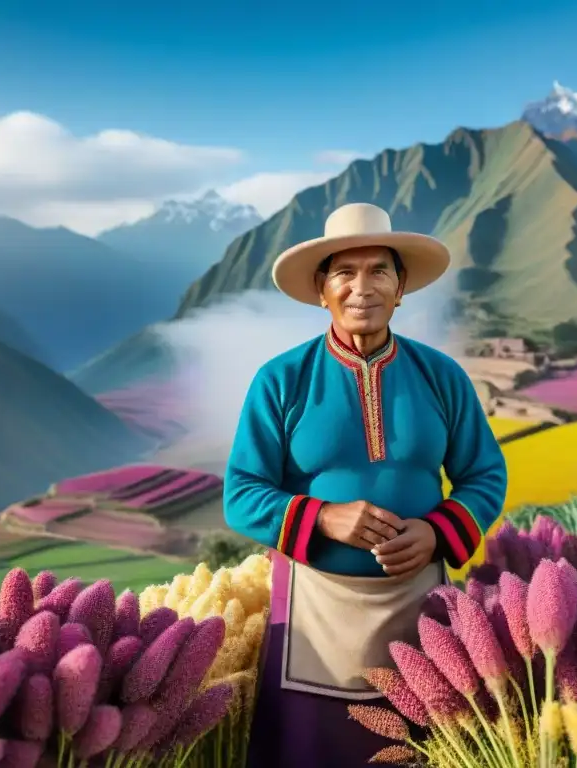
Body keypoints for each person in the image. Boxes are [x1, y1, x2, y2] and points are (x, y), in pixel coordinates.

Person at [223, 202, 508, 767]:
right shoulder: (281, 379)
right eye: (344, 273)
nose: (362, 288)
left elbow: (484, 475)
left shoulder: (441, 375)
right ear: (322, 289)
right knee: (309, 752)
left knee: (422, 748)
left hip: (420, 603)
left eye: (379, 271)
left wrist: (435, 532)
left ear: (401, 287)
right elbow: (242, 492)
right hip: (314, 613)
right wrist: (322, 517)